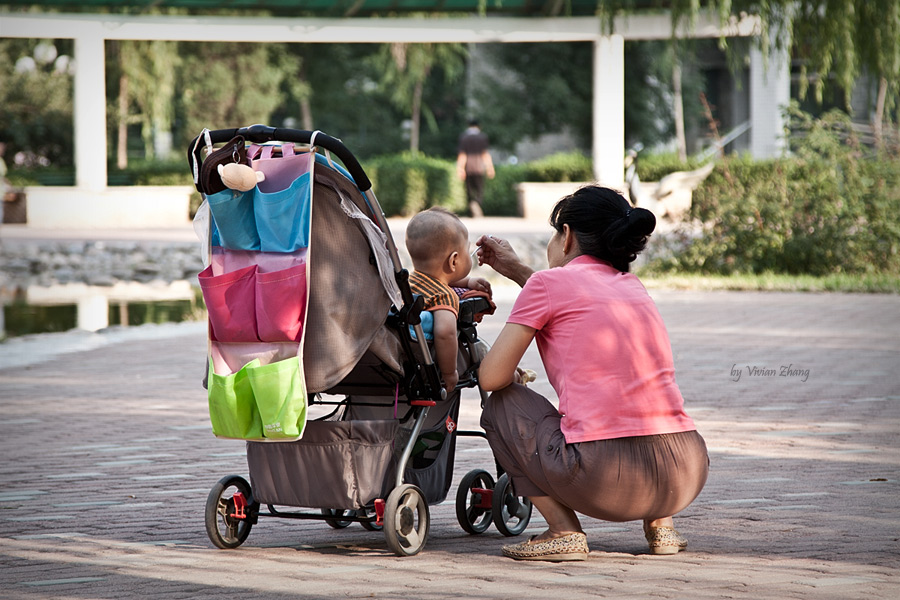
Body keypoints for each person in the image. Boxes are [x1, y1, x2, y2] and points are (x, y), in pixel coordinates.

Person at [474, 185, 708, 562]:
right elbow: (571, 293)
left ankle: (563, 531)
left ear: (565, 236)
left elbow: (491, 378)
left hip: (606, 482)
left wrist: (507, 373)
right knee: (641, 395)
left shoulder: (546, 284)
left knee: (501, 404)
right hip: (685, 473)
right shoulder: (632, 286)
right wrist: (517, 270)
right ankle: (662, 528)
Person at [406, 207, 491, 392]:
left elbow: (442, 277)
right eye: (467, 252)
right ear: (454, 261)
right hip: (430, 364)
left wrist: (468, 282)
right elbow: (446, 333)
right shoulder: (444, 296)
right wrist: (449, 372)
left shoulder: (409, 282)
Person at [456, 120, 495, 218]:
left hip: (468, 168)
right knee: (479, 190)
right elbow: (485, 154)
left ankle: (472, 206)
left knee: (469, 190)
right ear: (479, 126)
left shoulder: (464, 137)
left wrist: (460, 168)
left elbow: (462, 154)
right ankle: (476, 203)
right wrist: (490, 167)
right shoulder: (482, 137)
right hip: (479, 168)